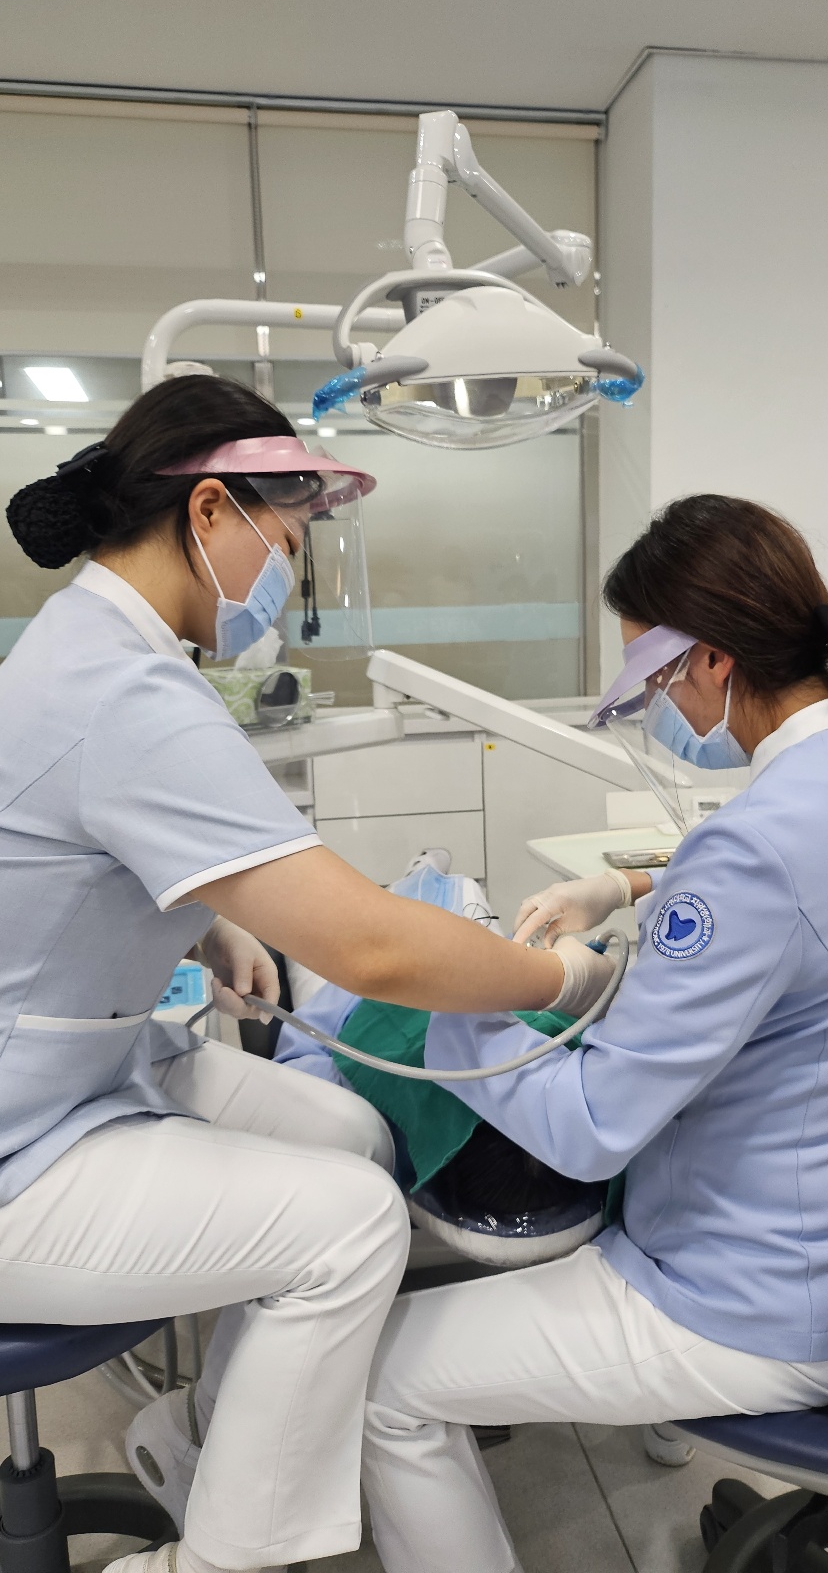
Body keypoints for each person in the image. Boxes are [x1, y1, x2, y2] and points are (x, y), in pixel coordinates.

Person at [0, 375, 611, 1573]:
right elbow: (369, 946)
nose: (290, 571)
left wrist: (202, 926)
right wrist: (554, 977)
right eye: (288, 542)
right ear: (210, 510)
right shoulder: (121, 688)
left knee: (350, 1134)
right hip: (22, 1143)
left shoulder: (91, 648)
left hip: (83, 1070)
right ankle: (212, 1562)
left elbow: (78, 859)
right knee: (351, 1230)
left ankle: (207, 1440)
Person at [349, 494, 828, 1573]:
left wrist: (458, 997)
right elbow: (792, 941)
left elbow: (590, 1129)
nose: (653, 706)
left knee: (381, 1383)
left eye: (651, 678)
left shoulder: (756, 850)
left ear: (710, 660)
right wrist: (625, 899)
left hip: (748, 1303)